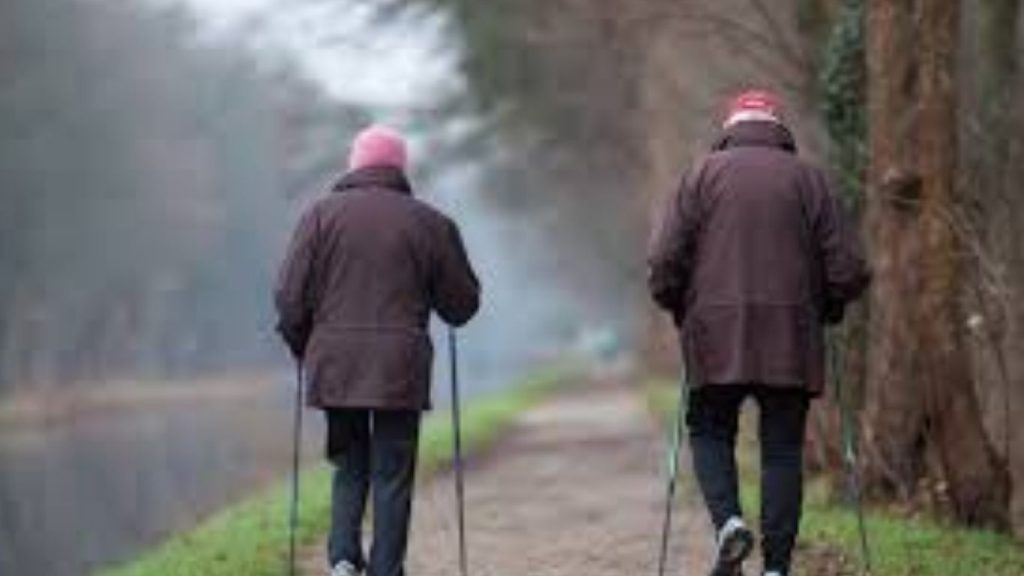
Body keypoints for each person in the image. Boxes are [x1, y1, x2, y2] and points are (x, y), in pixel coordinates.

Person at [648, 90, 869, 576]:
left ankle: (729, 524)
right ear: (778, 127)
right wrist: (827, 308)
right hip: (791, 333)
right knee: (783, 448)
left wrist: (679, 308)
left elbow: (665, 260)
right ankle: (777, 568)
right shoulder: (811, 180)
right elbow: (848, 267)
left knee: (708, 429)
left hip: (715, 333)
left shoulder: (700, 176)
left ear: (730, 126)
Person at [274, 125, 481, 576]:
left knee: (349, 465)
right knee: (392, 472)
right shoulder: (430, 223)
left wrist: (303, 347)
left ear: (355, 165)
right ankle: (387, 568)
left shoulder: (319, 217)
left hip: (337, 365)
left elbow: (289, 297)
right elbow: (462, 305)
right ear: (398, 168)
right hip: (399, 368)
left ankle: (344, 560)